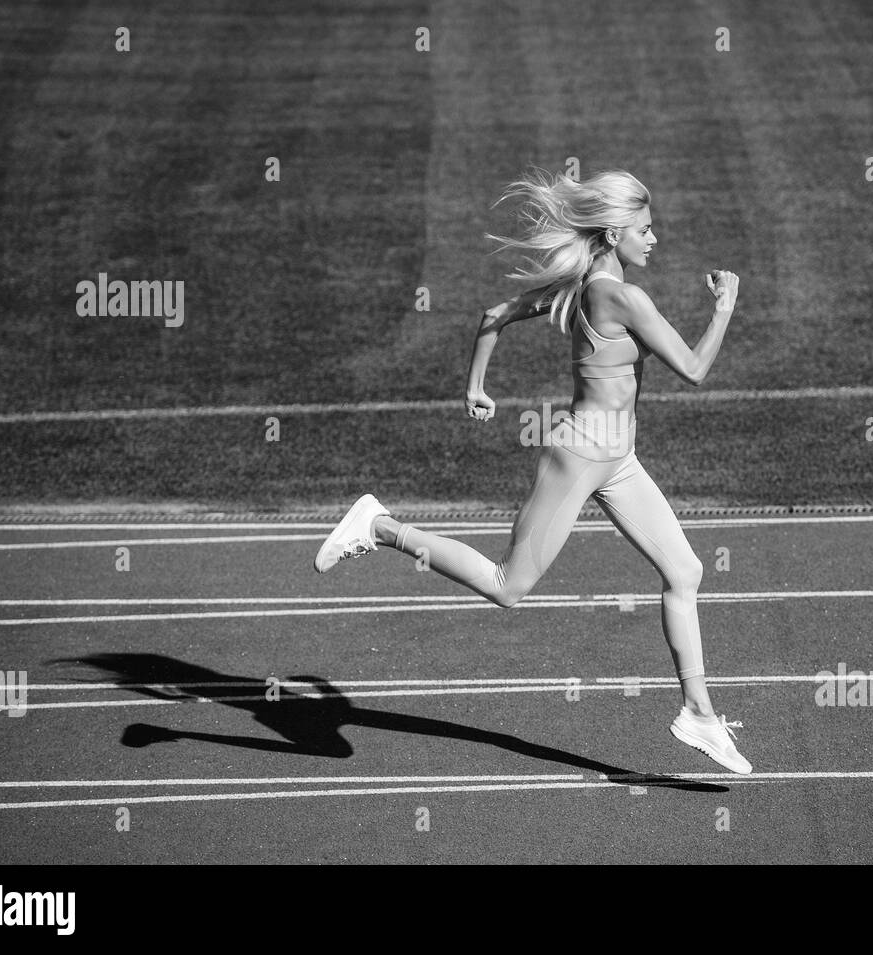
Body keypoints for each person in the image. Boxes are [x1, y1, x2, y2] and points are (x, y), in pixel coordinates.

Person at [314, 167, 749, 774]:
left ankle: (698, 713)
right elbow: (695, 368)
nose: (655, 240)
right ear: (614, 231)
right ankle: (381, 526)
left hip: (617, 460)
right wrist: (724, 306)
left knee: (685, 569)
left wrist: (476, 386)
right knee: (507, 587)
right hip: (577, 459)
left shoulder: (581, 285)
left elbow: (492, 314)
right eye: (645, 230)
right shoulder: (623, 296)